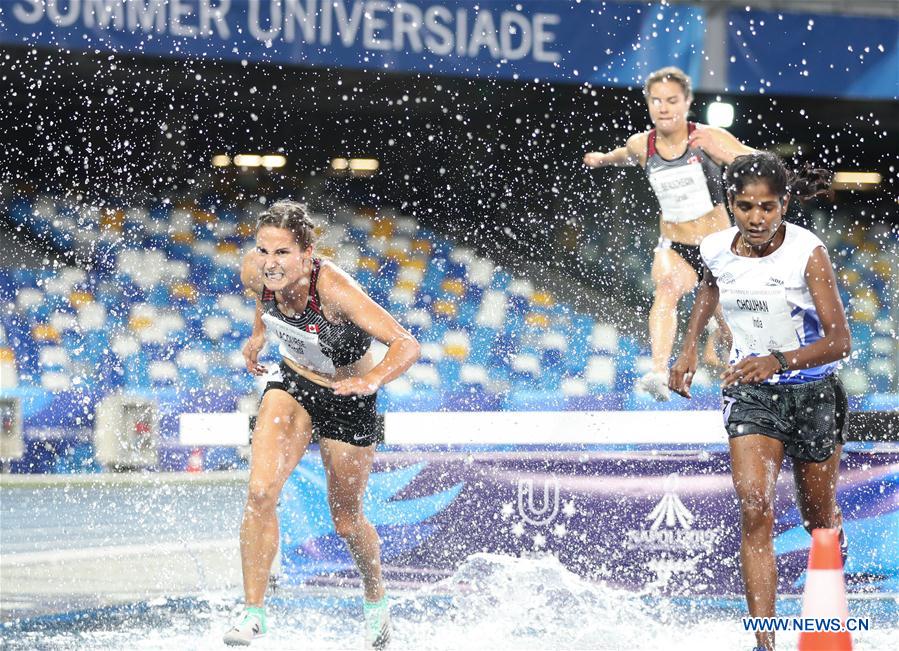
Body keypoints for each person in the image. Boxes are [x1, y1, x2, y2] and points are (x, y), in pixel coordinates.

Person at [668, 153, 850, 651]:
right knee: (754, 507)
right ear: (730, 204)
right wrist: (687, 348)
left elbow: (840, 342)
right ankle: (763, 644)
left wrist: (778, 359)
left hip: (813, 393)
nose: (756, 218)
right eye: (745, 207)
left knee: (817, 522)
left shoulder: (807, 252)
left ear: (784, 204)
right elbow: (710, 287)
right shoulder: (715, 247)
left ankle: (831, 549)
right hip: (751, 393)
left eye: (767, 208)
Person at [223, 200, 421, 648]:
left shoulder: (333, 289)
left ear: (307, 253)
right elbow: (263, 300)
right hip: (292, 384)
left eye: (282, 254)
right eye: (263, 251)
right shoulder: (256, 272)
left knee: (347, 523)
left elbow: (406, 346)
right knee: (259, 492)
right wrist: (257, 336)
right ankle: (254, 613)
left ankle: (375, 597)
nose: (269, 264)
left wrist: (369, 381)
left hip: (346, 399)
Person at [584, 65, 755, 400]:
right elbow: (623, 156)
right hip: (675, 243)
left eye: (672, 100)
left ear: (687, 102)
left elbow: (756, 159)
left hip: (718, 247)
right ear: (648, 104)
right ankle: (659, 372)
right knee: (666, 288)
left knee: (728, 323)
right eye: (657, 100)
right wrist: (603, 159)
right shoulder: (641, 145)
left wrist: (725, 156)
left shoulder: (706, 137)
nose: (664, 107)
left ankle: (747, 381)